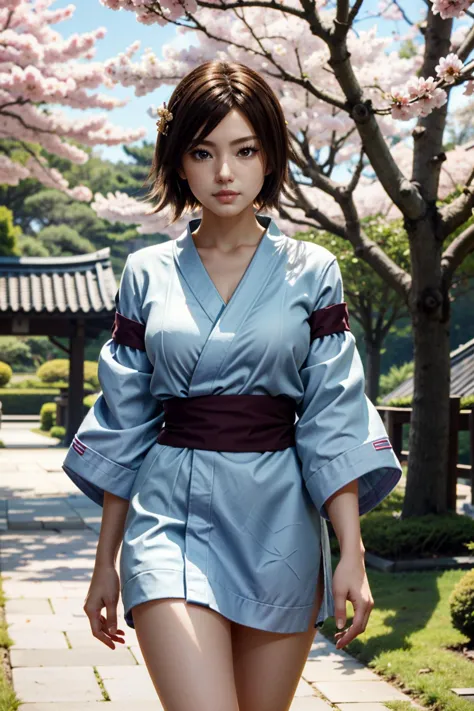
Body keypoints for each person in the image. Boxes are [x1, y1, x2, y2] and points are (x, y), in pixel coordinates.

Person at [62, 59, 402, 711]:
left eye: (244, 150)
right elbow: (123, 420)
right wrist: (105, 560)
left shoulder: (314, 271)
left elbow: (333, 414)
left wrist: (351, 552)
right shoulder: (146, 273)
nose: (224, 173)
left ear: (269, 156)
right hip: (168, 519)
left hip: (279, 520)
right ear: (178, 160)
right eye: (203, 151)